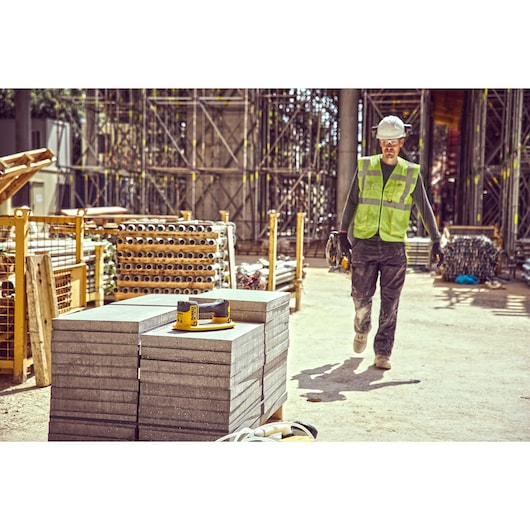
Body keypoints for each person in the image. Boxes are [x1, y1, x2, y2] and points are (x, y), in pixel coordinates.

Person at [339, 115, 443, 370]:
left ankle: (383, 352)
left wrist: (436, 240)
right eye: (384, 142)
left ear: (401, 142)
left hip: (393, 246)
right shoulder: (365, 167)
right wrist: (343, 233)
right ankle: (361, 328)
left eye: (393, 142)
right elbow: (352, 200)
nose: (388, 146)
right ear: (379, 142)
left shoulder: (410, 172)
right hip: (364, 242)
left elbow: (424, 207)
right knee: (360, 297)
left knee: (390, 303)